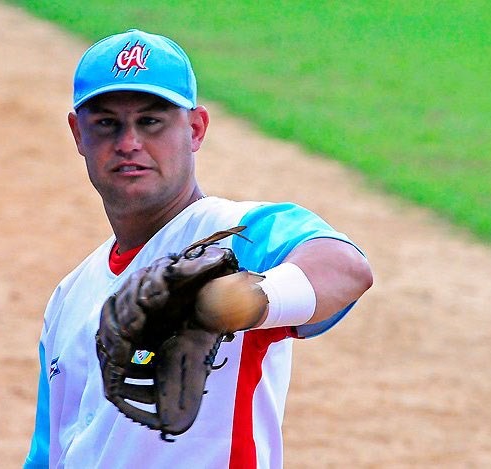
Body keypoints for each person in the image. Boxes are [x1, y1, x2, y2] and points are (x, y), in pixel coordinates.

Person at [24, 29, 373, 468]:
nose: (129, 143)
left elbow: (344, 267)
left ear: (195, 129)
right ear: (78, 134)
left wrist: (241, 303)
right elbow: (49, 453)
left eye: (151, 122)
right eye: (107, 123)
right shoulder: (68, 297)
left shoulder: (235, 238)